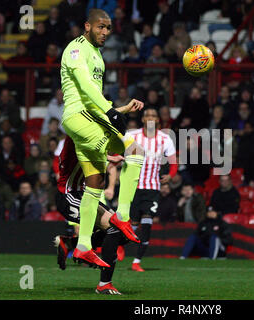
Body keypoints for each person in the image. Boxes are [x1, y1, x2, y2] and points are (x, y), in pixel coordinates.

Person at [60, 8, 146, 268]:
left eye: (108, 28)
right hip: (79, 116)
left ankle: (83, 245)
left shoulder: (97, 54)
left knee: (95, 183)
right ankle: (123, 215)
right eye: (100, 27)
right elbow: (85, 86)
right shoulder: (75, 50)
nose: (105, 32)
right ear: (87, 26)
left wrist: (116, 109)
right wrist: (110, 111)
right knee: (136, 150)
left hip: (89, 118)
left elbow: (93, 95)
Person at [53, 135, 128, 294]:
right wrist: (109, 157)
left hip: (83, 195)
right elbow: (86, 151)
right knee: (114, 228)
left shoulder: (88, 133)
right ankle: (104, 284)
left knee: (122, 232)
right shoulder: (75, 134)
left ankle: (70, 244)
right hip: (69, 196)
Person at [128, 107, 177, 272]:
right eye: (147, 115)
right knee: (132, 225)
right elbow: (115, 150)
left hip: (152, 188)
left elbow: (173, 161)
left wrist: (171, 175)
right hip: (133, 187)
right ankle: (119, 246)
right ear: (142, 119)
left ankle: (136, 261)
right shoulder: (132, 136)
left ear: (157, 120)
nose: (150, 117)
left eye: (153, 115)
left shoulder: (165, 139)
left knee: (147, 223)